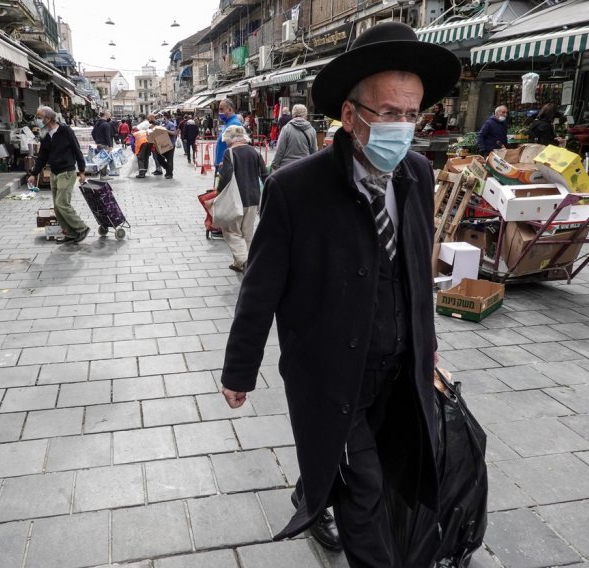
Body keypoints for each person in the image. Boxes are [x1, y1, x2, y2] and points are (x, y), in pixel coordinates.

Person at [219, 21, 460, 567]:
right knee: (366, 488)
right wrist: (240, 369)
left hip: (400, 367)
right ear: (350, 116)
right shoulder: (294, 189)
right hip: (331, 371)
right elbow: (260, 289)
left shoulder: (418, 174)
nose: (404, 127)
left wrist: (429, 340)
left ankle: (314, 485)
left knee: (398, 462)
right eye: (388, 114)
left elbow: (417, 264)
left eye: (411, 114)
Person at [27, 106, 90, 243]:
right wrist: (34, 173)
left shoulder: (65, 131)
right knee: (57, 206)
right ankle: (70, 233)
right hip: (54, 173)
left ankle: (81, 227)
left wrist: (82, 171)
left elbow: (77, 150)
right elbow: (42, 156)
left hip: (66, 172)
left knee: (62, 203)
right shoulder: (44, 134)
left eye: (39, 117)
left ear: (48, 118)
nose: (37, 120)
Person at [215, 125, 268, 273]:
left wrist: (219, 192)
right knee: (247, 233)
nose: (225, 143)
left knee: (231, 231)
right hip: (253, 198)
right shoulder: (254, 151)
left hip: (236, 198)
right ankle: (242, 263)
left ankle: (244, 261)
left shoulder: (230, 153)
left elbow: (226, 177)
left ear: (230, 139)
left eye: (226, 140)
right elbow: (265, 174)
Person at [270, 104, 318, 171]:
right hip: (304, 167)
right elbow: (314, 152)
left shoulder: (286, 129)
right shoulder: (312, 130)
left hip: (287, 168)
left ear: (293, 114)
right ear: (305, 115)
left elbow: (280, 149)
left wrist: (274, 165)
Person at [215, 99, 243, 169]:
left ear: (230, 109)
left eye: (222, 110)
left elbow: (238, 148)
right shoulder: (228, 123)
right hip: (222, 166)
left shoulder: (235, 124)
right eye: (219, 110)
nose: (220, 112)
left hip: (227, 167)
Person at [93, 111, 114, 180]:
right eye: (110, 115)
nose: (110, 117)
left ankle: (103, 174)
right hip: (104, 144)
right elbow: (107, 136)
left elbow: (93, 133)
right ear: (106, 115)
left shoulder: (97, 123)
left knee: (101, 160)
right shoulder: (106, 124)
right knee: (104, 161)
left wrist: (96, 141)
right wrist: (110, 145)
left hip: (99, 144)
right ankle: (103, 175)